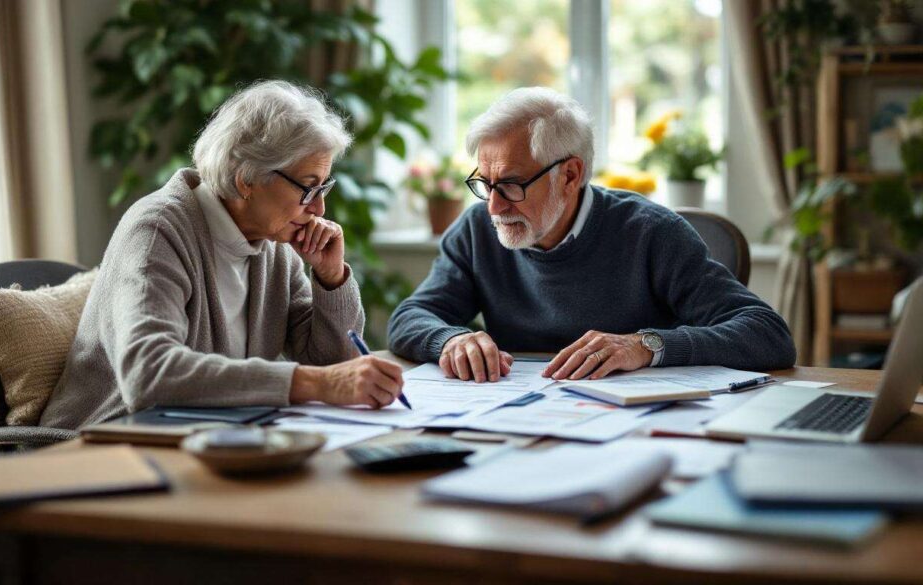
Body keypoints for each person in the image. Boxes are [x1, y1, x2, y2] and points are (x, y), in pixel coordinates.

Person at [42, 80, 403, 430]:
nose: (320, 208)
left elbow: (334, 365)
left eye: (324, 187)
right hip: (107, 445)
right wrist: (314, 383)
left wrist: (331, 277)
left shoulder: (274, 247)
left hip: (210, 438)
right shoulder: (157, 231)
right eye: (308, 188)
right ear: (247, 178)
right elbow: (148, 374)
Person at [387, 87, 796, 384]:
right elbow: (409, 318)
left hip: (639, 432)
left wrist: (646, 345)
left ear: (570, 175)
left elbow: (768, 334)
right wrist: (449, 339)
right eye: (485, 183)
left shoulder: (651, 233)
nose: (493, 206)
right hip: (516, 422)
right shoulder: (476, 230)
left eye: (511, 184)